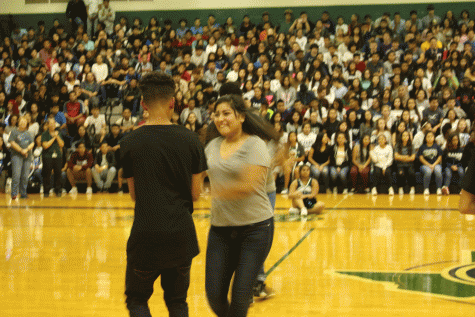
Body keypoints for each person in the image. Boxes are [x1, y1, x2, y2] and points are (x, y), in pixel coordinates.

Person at [120, 72, 207, 316]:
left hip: (145, 234)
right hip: (180, 235)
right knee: (177, 302)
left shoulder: (130, 142)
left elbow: (134, 195)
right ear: (173, 102)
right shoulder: (191, 140)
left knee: (137, 301)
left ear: (143, 104)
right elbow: (196, 194)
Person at [204, 94, 277, 317]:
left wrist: (208, 193)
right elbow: (195, 176)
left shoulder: (255, 145)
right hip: (220, 229)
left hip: (255, 230)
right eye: (217, 114)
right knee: (214, 296)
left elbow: (249, 185)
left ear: (241, 117)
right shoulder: (211, 146)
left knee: (240, 297)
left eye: (226, 113)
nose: (220, 118)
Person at [8, 116, 35, 199]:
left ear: (27, 123)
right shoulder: (14, 132)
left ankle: (23, 193)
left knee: (25, 176)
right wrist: (21, 150)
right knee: (16, 174)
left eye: (24, 122)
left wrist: (26, 150)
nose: (23, 123)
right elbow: (12, 143)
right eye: (21, 121)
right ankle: (14, 193)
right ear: (18, 122)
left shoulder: (28, 133)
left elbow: (32, 143)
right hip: (16, 155)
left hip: (27, 156)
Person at [42, 118, 65, 197]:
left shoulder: (59, 133)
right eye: (50, 123)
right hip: (47, 156)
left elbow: (62, 144)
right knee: (47, 174)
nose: (52, 125)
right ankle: (46, 192)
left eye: (53, 123)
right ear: (48, 125)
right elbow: (45, 145)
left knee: (58, 173)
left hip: (58, 156)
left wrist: (57, 136)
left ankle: (58, 191)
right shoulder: (45, 134)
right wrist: (54, 138)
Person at [417, 131, 443, 196]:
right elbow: (421, 158)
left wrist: (433, 165)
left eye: (431, 136)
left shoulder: (437, 146)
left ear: (434, 137)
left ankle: (439, 188)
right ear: (425, 138)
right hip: (424, 165)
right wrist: (429, 165)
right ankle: (426, 189)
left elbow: (440, 157)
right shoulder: (422, 147)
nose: (430, 138)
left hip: (436, 164)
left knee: (438, 171)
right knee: (428, 171)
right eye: (428, 136)